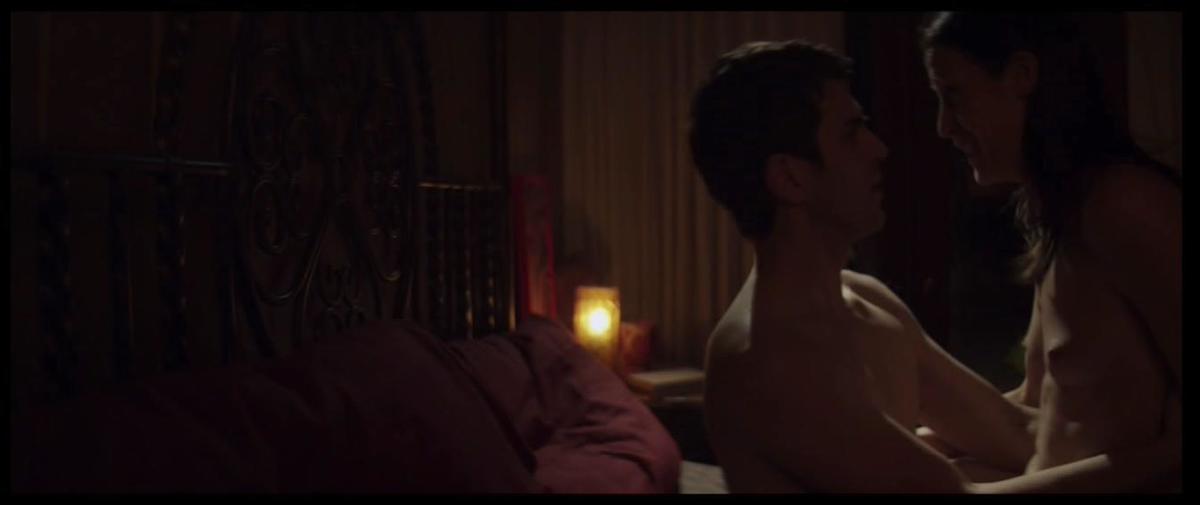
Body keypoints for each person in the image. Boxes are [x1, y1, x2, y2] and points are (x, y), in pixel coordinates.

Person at [691, 38, 1179, 493]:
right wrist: (1168, 455)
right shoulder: (769, 361)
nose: (879, 149)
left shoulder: (864, 300)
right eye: (851, 133)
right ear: (791, 178)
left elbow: (1015, 432)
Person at [920, 12, 1181, 490]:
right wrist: (921, 446)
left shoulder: (1124, 206)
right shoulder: (1062, 215)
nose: (942, 126)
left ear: (1021, 76)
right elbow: (1042, 405)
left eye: (953, 96)